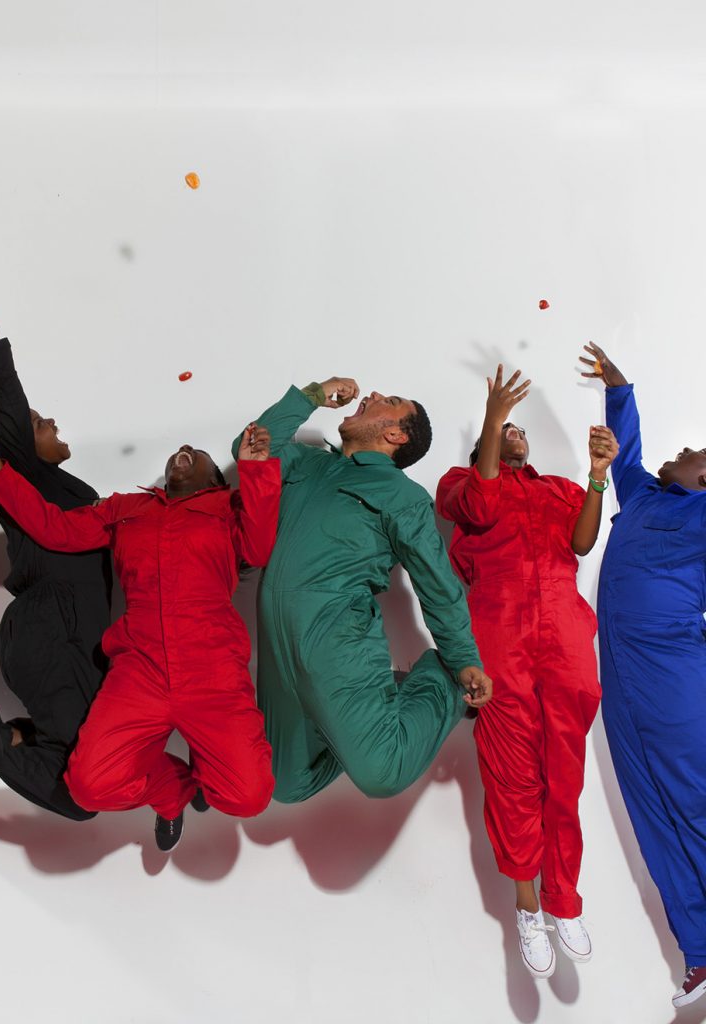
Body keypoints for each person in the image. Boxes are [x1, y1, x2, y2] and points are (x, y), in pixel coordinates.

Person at [0, 424, 279, 851]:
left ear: (216, 480)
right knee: (90, 786)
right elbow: (56, 529)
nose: (183, 448)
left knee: (250, 796)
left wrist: (256, 471)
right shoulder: (127, 508)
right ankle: (173, 793)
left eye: (197, 451)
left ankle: (205, 766)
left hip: (212, 672)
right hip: (138, 672)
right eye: (181, 446)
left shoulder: (228, 508)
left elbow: (257, 547)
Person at [436, 364, 618, 978]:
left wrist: (596, 478)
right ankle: (527, 905)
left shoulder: (557, 489)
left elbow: (583, 542)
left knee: (563, 781)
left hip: (565, 641)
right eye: (502, 431)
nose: (514, 433)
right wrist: (490, 419)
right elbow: (482, 505)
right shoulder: (459, 485)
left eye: (516, 429)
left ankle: (565, 901)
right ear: (485, 444)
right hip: (500, 643)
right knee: (512, 781)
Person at [236, 378, 492, 808]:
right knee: (284, 784)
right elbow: (251, 446)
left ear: (396, 435)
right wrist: (314, 395)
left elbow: (437, 584)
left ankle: (441, 681)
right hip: (278, 648)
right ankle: (363, 713)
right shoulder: (308, 464)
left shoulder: (402, 495)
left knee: (382, 773)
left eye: (388, 402)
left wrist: (463, 658)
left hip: (337, 638)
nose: (372, 395)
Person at [0, 261, 112, 822]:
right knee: (86, 794)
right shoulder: (25, 474)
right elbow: (7, 393)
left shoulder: (56, 485)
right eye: (39, 423)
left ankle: (1, 739)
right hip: (49, 630)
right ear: (17, 448)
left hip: (66, 642)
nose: (51, 421)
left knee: (87, 777)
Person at [581, 341, 706, 1008]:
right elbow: (624, 456)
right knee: (653, 812)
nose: (683, 453)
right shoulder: (646, 495)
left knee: (697, 799)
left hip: (677, 671)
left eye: (696, 453)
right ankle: (703, 957)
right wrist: (620, 388)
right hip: (622, 683)